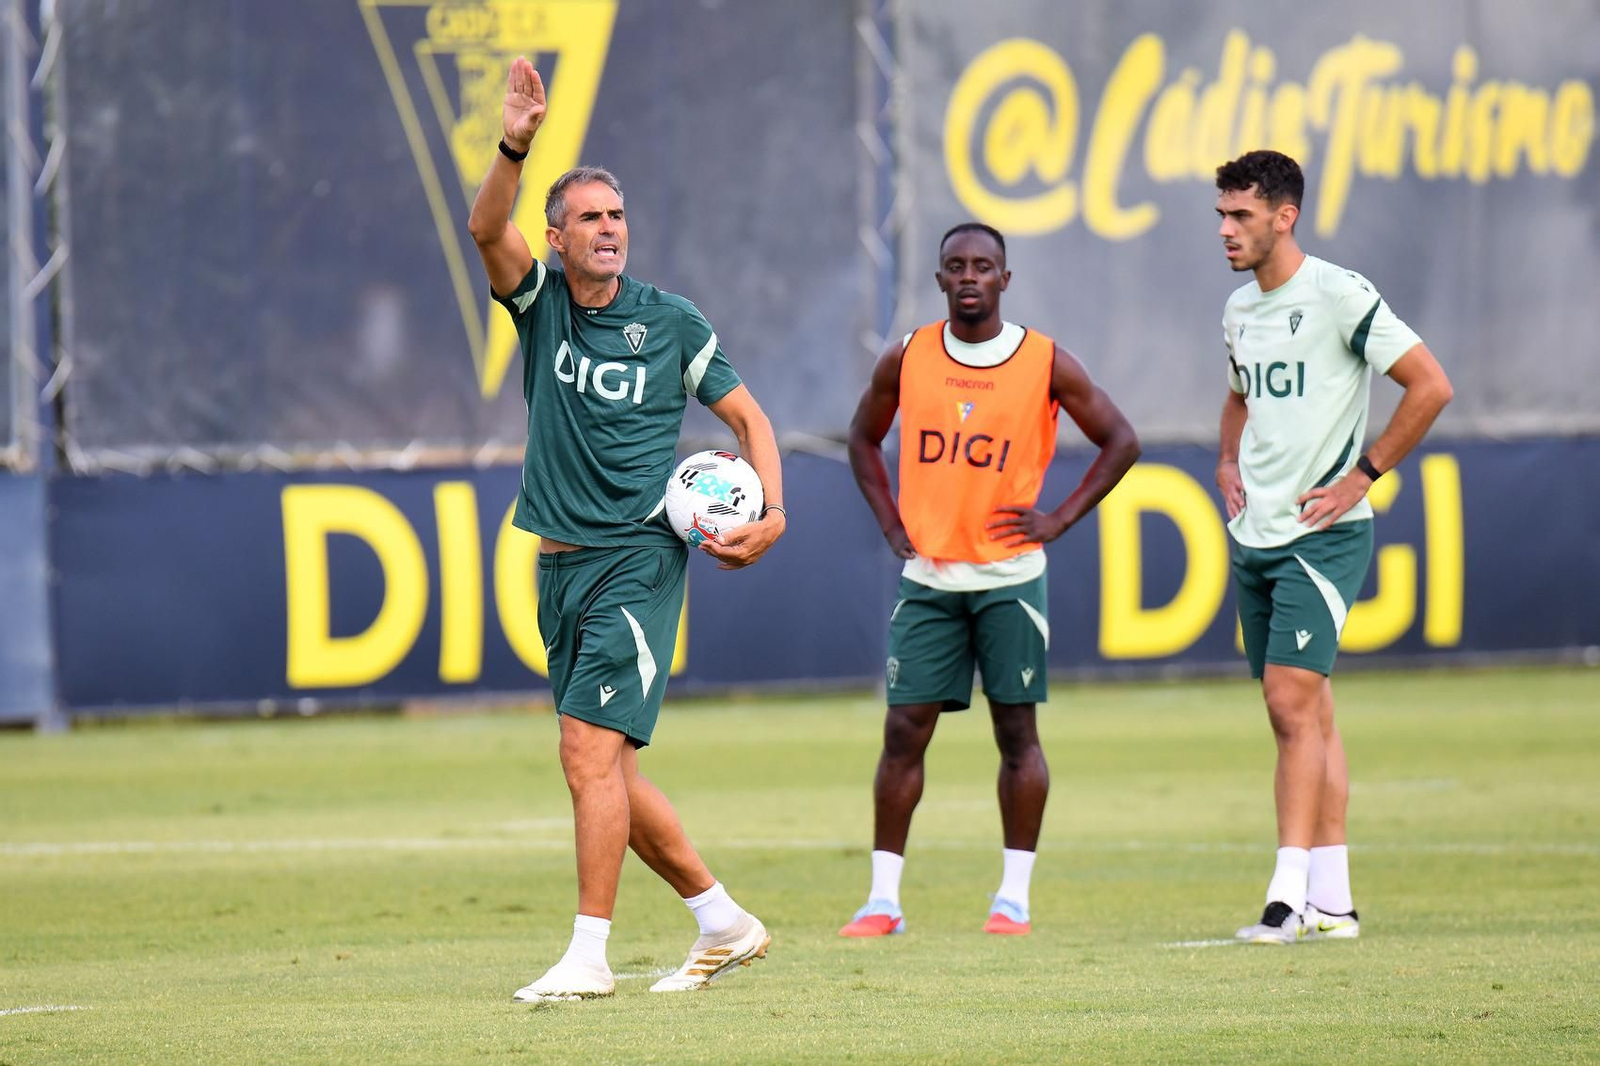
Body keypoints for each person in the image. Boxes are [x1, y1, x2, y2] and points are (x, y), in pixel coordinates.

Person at [468, 57, 787, 1000]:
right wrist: (514, 145)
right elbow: (485, 228)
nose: (609, 229)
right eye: (590, 218)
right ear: (556, 238)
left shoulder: (671, 322)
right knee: (608, 770)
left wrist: (772, 515)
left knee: (583, 755)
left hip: (639, 558)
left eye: (617, 216)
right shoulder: (541, 306)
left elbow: (751, 422)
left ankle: (589, 956)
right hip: (559, 568)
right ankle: (723, 921)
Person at [840, 222, 1140, 937]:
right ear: (940, 279)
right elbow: (861, 438)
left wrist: (1059, 518)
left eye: (983, 266)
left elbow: (1121, 440)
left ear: (1005, 279)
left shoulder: (1045, 360)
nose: (969, 276)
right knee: (903, 733)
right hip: (931, 578)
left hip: (1010, 577)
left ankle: (1013, 900)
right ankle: (883, 902)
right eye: (956, 266)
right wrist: (890, 524)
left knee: (1016, 733)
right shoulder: (907, 355)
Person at [1213, 150, 1453, 944]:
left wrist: (1365, 475)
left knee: (1288, 704)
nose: (1226, 230)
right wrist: (1225, 461)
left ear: (1284, 217)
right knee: (1309, 710)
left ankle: (1285, 899)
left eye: (1241, 215)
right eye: (1221, 215)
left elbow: (1430, 385)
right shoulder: (1239, 310)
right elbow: (1239, 395)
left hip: (1322, 537)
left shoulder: (1339, 294)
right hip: (1256, 534)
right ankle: (1336, 902)